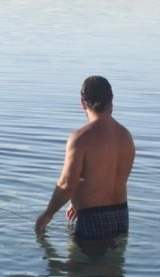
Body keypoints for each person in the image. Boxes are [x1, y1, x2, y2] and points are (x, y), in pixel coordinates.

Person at [35, 76, 135, 253]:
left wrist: (48, 214)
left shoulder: (81, 139)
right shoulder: (126, 136)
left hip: (93, 220)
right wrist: (76, 202)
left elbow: (67, 185)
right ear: (111, 100)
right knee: (113, 275)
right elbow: (110, 178)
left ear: (82, 103)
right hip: (121, 216)